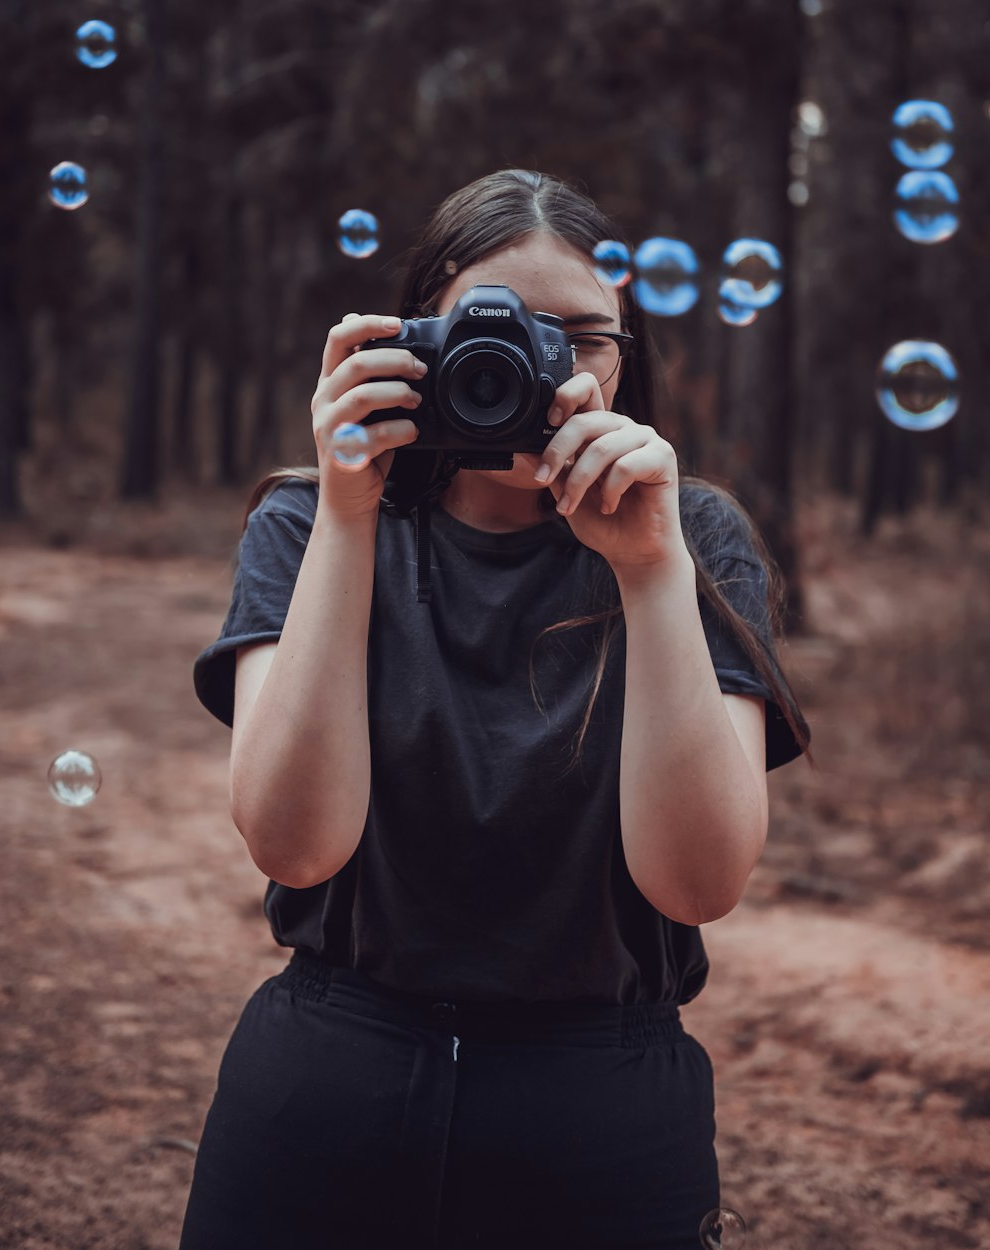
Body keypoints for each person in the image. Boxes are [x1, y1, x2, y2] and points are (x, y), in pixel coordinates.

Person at [177, 168, 813, 1250]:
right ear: (409, 344)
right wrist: (347, 509)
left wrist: (651, 573)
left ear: (624, 358)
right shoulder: (308, 519)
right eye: (492, 329)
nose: (520, 364)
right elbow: (293, 843)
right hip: (327, 1083)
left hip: (601, 1113)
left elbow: (699, 880)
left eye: (575, 336)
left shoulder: (693, 539)